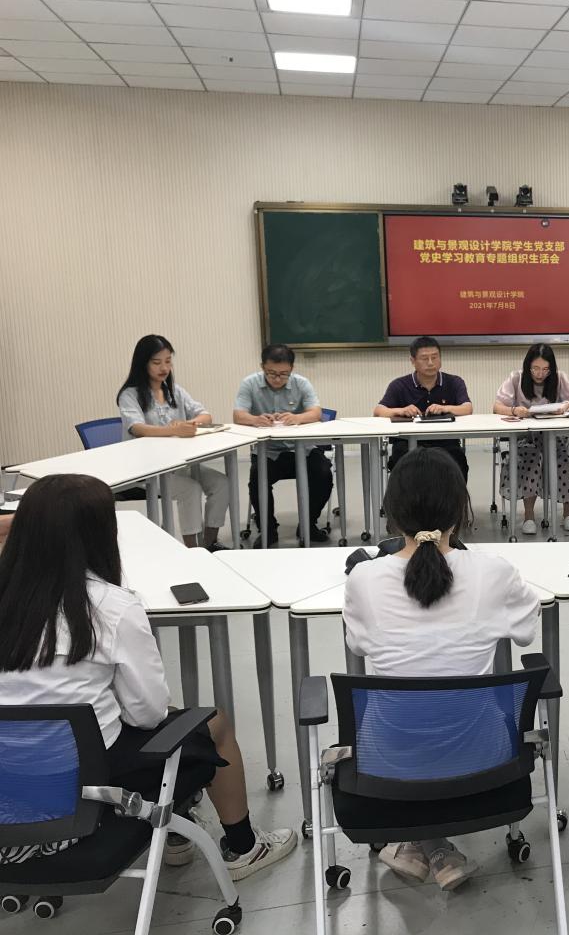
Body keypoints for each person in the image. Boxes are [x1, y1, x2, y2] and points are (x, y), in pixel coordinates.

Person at [0, 475, 296, 877]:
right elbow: (148, 714)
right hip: (87, 779)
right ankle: (244, 847)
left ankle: (176, 835)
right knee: (211, 723)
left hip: (12, 782)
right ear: (99, 533)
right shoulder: (111, 607)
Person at [343, 448, 540, 889]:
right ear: (461, 510)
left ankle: (421, 844)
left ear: (392, 514)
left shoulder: (364, 579)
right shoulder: (493, 571)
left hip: (388, 760)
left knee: (413, 721)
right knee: (451, 718)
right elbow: (526, 630)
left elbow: (357, 644)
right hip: (484, 755)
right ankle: (434, 848)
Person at [117, 334, 229, 549]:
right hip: (147, 470)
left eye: (168, 361)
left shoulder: (175, 391)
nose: (164, 368)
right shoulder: (130, 395)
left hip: (179, 465)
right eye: (156, 362)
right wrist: (173, 430)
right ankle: (193, 549)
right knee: (190, 489)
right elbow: (137, 428)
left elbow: (205, 415)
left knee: (221, 484)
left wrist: (190, 424)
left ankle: (210, 543)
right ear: (143, 364)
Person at [232, 344, 333, 548]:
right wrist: (256, 419)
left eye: (283, 374)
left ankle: (308, 525)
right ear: (262, 367)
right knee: (257, 479)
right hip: (268, 451)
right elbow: (238, 415)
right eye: (271, 373)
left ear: (291, 369)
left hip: (301, 450)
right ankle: (268, 530)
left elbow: (316, 412)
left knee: (323, 474)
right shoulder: (249, 383)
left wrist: (297, 417)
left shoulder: (301, 383)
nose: (277, 379)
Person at [493, 343, 569, 535]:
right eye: (535, 368)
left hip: (553, 437)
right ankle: (529, 516)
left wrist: (566, 406)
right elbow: (497, 407)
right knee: (531, 459)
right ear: (528, 366)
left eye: (545, 369)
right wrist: (514, 410)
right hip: (525, 438)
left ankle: (568, 514)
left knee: (564, 459)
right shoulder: (516, 378)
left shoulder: (559, 378)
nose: (540, 374)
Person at [374, 336, 473, 480]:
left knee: (458, 463)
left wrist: (445, 408)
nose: (431, 363)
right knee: (402, 464)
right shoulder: (399, 385)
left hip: (445, 442)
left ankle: (452, 496)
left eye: (435, 357)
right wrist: (400, 410)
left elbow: (467, 408)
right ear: (413, 361)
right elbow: (378, 411)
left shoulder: (454, 382)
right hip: (407, 443)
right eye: (424, 358)